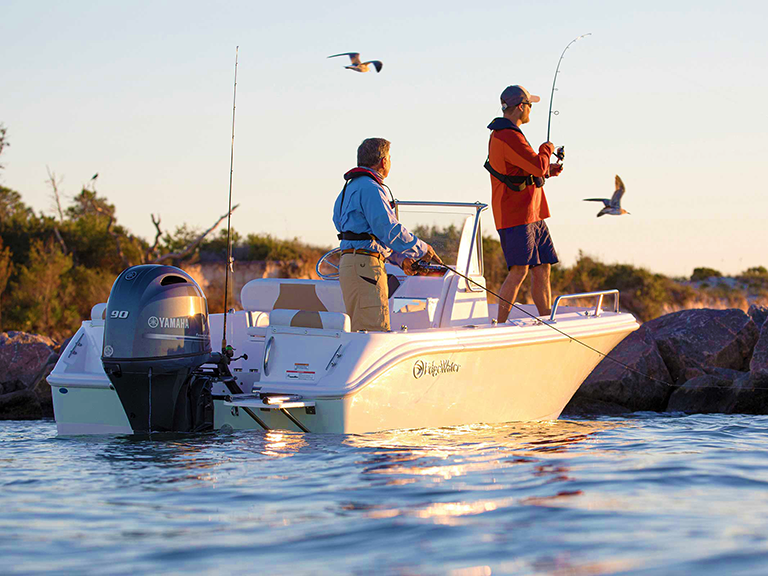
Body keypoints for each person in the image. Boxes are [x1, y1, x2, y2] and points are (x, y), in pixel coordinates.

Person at [333, 138, 442, 332]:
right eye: (390, 158)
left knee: (359, 328)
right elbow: (389, 230)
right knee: (374, 331)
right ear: (383, 161)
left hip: (350, 266)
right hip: (366, 268)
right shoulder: (372, 189)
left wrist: (400, 259)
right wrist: (423, 249)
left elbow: (359, 234)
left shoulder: (347, 189)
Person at [485, 85, 564, 323]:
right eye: (530, 105)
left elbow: (526, 168)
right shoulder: (507, 135)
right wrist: (546, 150)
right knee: (518, 271)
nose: (531, 110)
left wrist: (548, 171)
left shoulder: (510, 133)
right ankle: (499, 325)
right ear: (521, 107)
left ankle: (547, 321)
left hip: (533, 213)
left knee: (543, 268)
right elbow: (537, 164)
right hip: (516, 215)